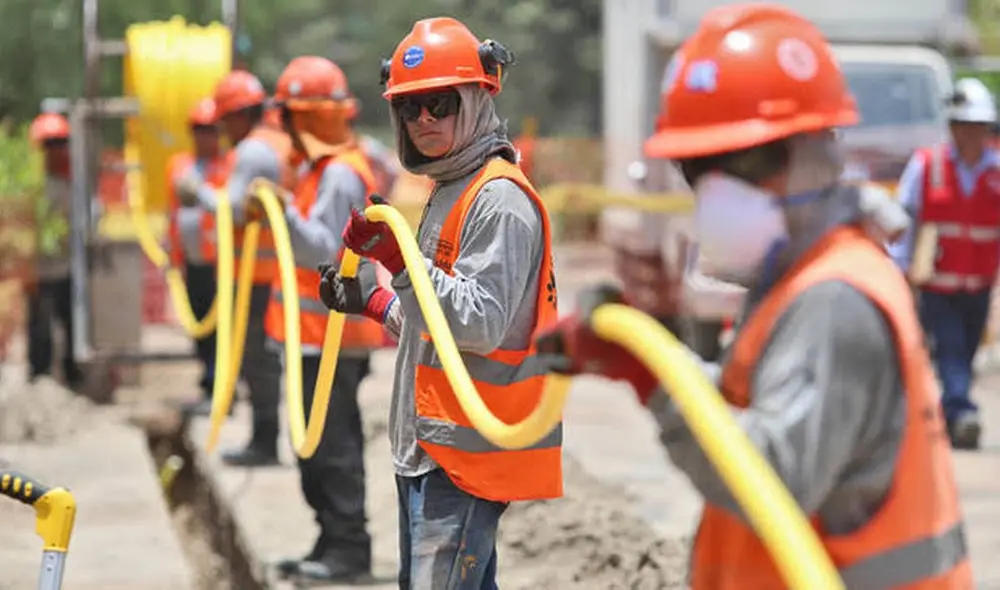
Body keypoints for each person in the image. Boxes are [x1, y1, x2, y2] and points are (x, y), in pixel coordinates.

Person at [535, 4, 972, 589]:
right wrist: (647, 358)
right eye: (701, 168)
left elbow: (771, 473)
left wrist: (658, 384)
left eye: (740, 162)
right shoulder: (803, 278)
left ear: (814, 154)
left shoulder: (834, 298)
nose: (717, 191)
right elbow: (752, 416)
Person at [319, 17, 562, 589]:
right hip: (434, 446)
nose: (423, 119)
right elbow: (436, 321)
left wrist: (403, 264)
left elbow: (478, 324)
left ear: (476, 100)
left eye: (438, 103)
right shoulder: (450, 188)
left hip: (466, 454)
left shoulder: (497, 199)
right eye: (409, 107)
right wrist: (376, 300)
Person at [255, 55, 380, 584]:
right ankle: (331, 540)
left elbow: (325, 248)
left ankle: (349, 550)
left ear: (299, 118)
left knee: (331, 449)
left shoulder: (339, 176)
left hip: (330, 340)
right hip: (313, 339)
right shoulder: (324, 170)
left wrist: (277, 212)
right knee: (317, 451)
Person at [176, 70, 293, 466]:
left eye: (224, 120)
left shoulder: (252, 152)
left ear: (239, 115)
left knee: (258, 361)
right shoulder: (274, 144)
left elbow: (236, 212)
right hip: (268, 273)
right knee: (262, 359)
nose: (221, 129)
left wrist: (199, 193)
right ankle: (265, 437)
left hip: (256, 278)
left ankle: (265, 442)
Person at [889, 77, 1000, 450]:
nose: (974, 135)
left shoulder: (997, 170)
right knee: (950, 348)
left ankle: (951, 412)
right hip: (936, 283)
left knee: (965, 353)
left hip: (979, 284)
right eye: (967, 126)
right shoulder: (926, 165)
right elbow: (905, 218)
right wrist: (898, 269)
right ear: (953, 127)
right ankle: (962, 410)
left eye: (980, 127)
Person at [167, 98, 229, 417]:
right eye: (198, 130)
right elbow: (172, 212)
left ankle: (219, 385)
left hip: (220, 263)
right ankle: (207, 380)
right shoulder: (179, 165)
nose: (204, 136)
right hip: (192, 262)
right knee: (199, 322)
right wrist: (171, 252)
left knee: (220, 327)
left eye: (209, 130)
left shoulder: (228, 165)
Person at [26, 112, 82, 388]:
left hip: (66, 267)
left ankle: (72, 377)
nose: (55, 151)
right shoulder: (31, 188)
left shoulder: (73, 185)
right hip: (38, 271)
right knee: (39, 327)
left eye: (60, 143)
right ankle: (39, 377)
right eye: (50, 145)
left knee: (71, 324)